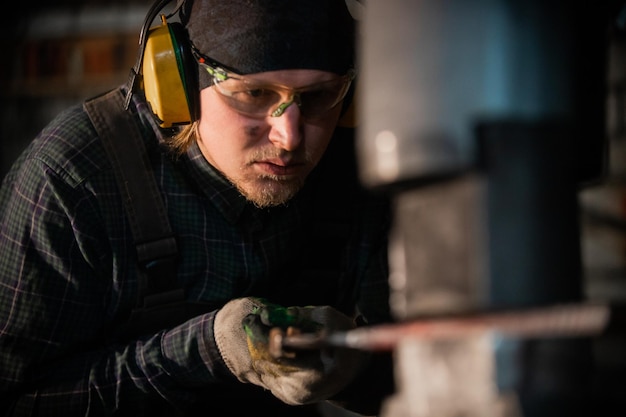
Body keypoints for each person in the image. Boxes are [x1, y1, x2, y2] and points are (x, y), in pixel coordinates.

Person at [0, 0, 394, 416]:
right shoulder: (74, 181)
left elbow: (420, 372)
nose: (290, 137)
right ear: (180, 84)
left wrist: (356, 369)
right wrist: (209, 349)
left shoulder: (354, 170)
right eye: (254, 94)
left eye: (319, 96)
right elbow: (16, 400)